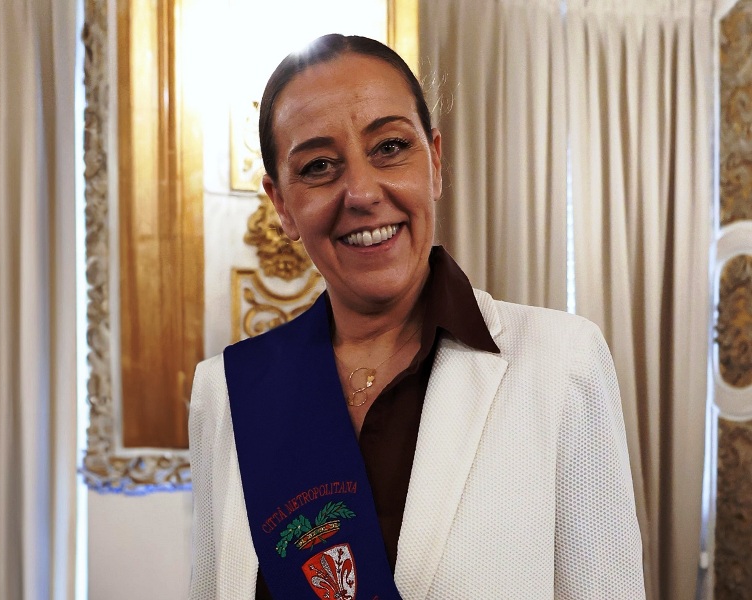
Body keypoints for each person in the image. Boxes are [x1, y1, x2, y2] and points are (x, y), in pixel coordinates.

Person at [189, 34, 646, 599]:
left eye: (389, 147)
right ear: (282, 203)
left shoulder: (561, 364)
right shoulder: (227, 393)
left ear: (433, 161)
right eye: (319, 165)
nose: (361, 192)